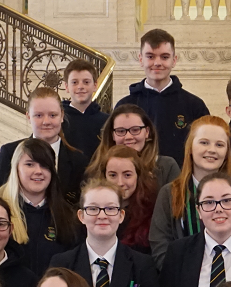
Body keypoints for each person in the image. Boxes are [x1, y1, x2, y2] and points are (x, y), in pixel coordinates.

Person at [149, 115, 231, 268]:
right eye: (204, 143)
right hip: (180, 282)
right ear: (190, 148)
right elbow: (160, 245)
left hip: (230, 281)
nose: (212, 150)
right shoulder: (170, 193)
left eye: (219, 145)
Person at [114, 29, 210, 166]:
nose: (157, 63)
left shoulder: (194, 105)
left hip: (181, 182)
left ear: (174, 60)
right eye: (150, 56)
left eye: (164, 57)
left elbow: (204, 148)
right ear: (141, 59)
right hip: (135, 181)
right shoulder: (124, 106)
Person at [0, 139, 80, 278]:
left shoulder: (68, 216)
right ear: (16, 167)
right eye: (30, 164)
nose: (38, 171)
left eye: (45, 166)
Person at [0, 87, 88, 205]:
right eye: (38, 115)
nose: (46, 122)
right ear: (28, 117)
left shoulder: (78, 160)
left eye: (53, 115)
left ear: (62, 116)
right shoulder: (9, 153)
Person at [92, 104, 181, 189]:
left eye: (135, 130)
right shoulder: (97, 168)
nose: (128, 137)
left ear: (147, 132)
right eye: (121, 131)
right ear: (112, 135)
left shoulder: (167, 167)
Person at [92, 145, 158, 255]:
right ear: (104, 177)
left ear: (138, 176)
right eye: (113, 175)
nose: (120, 183)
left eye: (127, 175)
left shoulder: (153, 213)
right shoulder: (91, 212)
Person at [61, 59, 108, 165]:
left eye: (86, 82)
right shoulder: (58, 120)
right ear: (66, 87)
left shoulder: (107, 121)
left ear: (95, 85)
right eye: (74, 82)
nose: (80, 86)